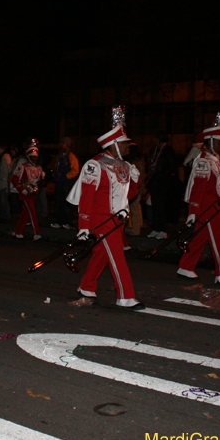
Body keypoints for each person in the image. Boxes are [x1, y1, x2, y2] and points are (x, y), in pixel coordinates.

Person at [67, 106, 143, 310]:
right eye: (125, 144)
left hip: (117, 219)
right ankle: (126, 296)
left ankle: (86, 288)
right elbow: (87, 197)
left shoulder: (124, 165)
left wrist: (135, 181)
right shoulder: (95, 165)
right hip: (100, 218)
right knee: (117, 256)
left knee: (102, 254)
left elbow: (129, 197)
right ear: (115, 145)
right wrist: (83, 225)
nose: (128, 147)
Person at [177, 113, 220, 286]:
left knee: (201, 237)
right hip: (207, 207)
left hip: (215, 206)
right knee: (219, 240)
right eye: (218, 141)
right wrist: (193, 212)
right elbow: (197, 189)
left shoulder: (215, 160)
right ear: (209, 141)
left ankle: (185, 267)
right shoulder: (203, 161)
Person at [11, 139, 45, 240]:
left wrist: (43, 179)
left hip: (34, 193)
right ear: (28, 157)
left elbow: (40, 182)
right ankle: (36, 234)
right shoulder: (22, 167)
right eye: (32, 157)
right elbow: (14, 179)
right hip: (25, 193)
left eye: (36, 157)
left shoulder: (39, 168)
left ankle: (18, 232)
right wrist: (22, 189)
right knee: (32, 213)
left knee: (25, 214)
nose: (34, 159)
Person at [147, 130, 176, 239]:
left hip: (163, 182)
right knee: (154, 205)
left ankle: (163, 230)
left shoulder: (168, 151)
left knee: (161, 206)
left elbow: (171, 167)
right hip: (154, 181)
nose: (153, 140)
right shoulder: (153, 150)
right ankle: (155, 228)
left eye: (155, 138)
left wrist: (165, 178)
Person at [51, 137, 80, 229]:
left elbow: (76, 170)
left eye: (63, 143)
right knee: (59, 203)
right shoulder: (59, 156)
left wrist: (66, 176)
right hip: (59, 182)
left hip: (67, 183)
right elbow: (56, 167)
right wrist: (55, 175)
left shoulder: (71, 156)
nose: (61, 145)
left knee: (67, 203)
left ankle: (68, 223)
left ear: (67, 145)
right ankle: (59, 222)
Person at [125, 143, 146, 236]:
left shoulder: (137, 162)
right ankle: (134, 228)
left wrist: (139, 188)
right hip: (137, 188)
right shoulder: (138, 161)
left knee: (135, 209)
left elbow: (140, 177)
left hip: (137, 189)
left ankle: (136, 230)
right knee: (134, 209)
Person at [0, 143, 12, 222]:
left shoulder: (5, 157)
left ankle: (6, 216)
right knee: (3, 200)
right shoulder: (4, 157)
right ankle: (4, 216)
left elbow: (4, 171)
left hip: (4, 183)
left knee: (3, 200)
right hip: (3, 182)